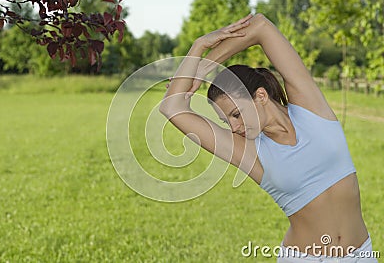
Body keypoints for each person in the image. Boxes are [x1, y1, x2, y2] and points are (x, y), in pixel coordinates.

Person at [159, 13, 377, 262]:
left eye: (235, 114)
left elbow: (260, 26)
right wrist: (197, 47)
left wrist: (205, 67)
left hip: (361, 254)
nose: (233, 127)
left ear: (260, 96)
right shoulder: (250, 152)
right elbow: (172, 107)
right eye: (226, 121)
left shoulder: (311, 108)